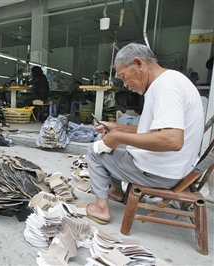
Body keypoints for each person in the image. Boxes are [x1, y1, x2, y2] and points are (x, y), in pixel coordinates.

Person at [83, 43, 204, 224]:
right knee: (117, 141)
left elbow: (172, 140)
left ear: (138, 64)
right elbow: (151, 132)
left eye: (124, 77)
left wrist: (118, 137)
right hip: (173, 166)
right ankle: (115, 191)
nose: (125, 84)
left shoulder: (166, 87)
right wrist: (116, 128)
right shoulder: (168, 81)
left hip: (163, 172)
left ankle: (101, 210)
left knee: (95, 151)